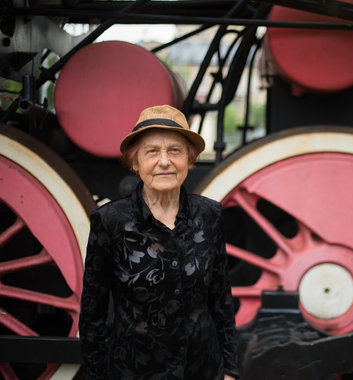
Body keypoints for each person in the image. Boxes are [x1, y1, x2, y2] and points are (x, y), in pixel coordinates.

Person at [79, 105, 239, 380]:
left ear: (190, 160)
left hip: (202, 370)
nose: (164, 161)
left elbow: (221, 299)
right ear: (135, 162)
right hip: (133, 371)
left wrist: (231, 371)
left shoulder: (209, 215)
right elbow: (93, 314)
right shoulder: (110, 222)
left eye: (175, 151)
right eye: (152, 151)